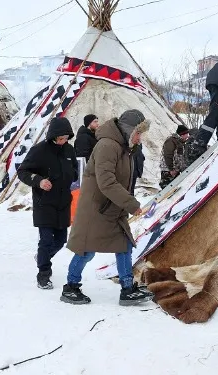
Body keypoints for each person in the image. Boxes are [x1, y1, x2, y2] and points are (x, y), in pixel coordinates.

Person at [62, 109, 155, 306]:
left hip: (113, 206)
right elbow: (106, 182)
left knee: (124, 245)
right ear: (129, 130)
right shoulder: (107, 146)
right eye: (138, 133)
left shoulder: (124, 147)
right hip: (97, 208)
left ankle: (127, 288)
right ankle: (71, 287)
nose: (140, 138)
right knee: (86, 250)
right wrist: (131, 204)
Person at [17, 117, 78, 290]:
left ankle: (42, 257)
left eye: (66, 138)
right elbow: (22, 171)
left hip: (63, 202)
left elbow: (74, 169)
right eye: (60, 138)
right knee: (45, 240)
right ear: (52, 136)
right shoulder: (39, 151)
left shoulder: (69, 150)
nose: (63, 141)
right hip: (44, 203)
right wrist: (39, 181)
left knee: (60, 240)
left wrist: (72, 176)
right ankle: (43, 274)